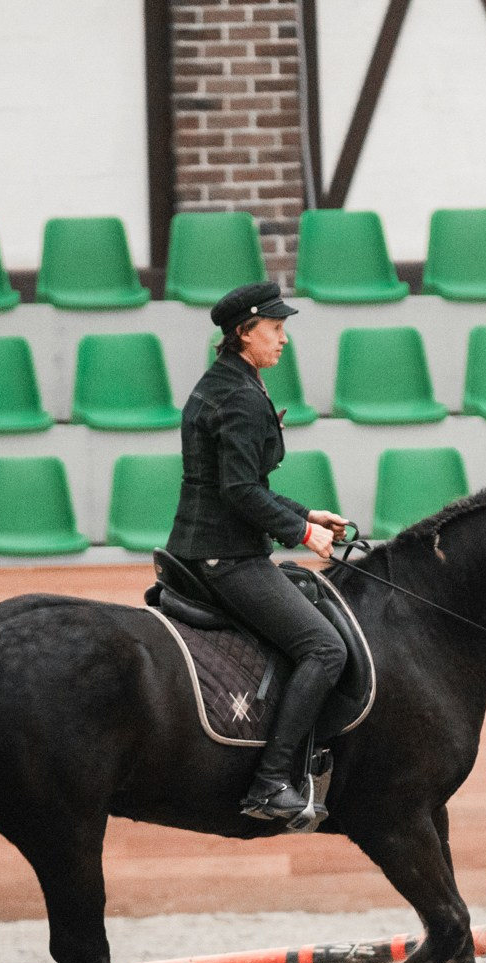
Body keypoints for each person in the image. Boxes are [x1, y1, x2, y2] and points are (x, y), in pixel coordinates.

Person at [167, 281, 350, 826]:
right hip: (226, 555)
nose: (283, 338)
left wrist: (307, 513)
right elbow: (240, 492)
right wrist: (302, 533)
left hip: (203, 544)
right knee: (325, 648)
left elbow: (245, 482)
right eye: (275, 328)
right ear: (245, 332)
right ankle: (270, 783)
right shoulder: (241, 396)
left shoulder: (228, 382)